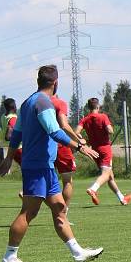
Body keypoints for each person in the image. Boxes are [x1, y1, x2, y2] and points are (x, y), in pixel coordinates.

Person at [0, 65, 103, 262]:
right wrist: (81, 146)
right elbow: (55, 131)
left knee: (59, 208)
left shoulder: (27, 102)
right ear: (55, 83)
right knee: (29, 211)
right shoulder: (43, 103)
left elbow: (17, 134)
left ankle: (77, 252)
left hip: (44, 166)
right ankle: (10, 257)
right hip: (37, 165)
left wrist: (9, 157)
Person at [76, 97, 131, 206]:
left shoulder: (85, 119)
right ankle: (93, 189)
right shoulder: (103, 116)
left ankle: (122, 199)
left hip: (94, 150)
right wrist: (108, 127)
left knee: (110, 176)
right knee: (106, 174)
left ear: (89, 107)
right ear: (98, 106)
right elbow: (110, 131)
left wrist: (82, 140)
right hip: (105, 148)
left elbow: (76, 132)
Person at [50, 92, 83, 224]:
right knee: (67, 181)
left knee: (45, 178)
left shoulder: (36, 102)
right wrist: (78, 140)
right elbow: (64, 125)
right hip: (61, 145)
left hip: (44, 145)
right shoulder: (59, 103)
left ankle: (26, 191)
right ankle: (63, 215)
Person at [2, 98, 23, 198]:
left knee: (27, 169)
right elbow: (9, 135)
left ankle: (27, 191)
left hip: (13, 149)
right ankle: (25, 191)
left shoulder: (3, 117)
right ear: (14, 106)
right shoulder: (13, 118)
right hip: (19, 148)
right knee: (32, 169)